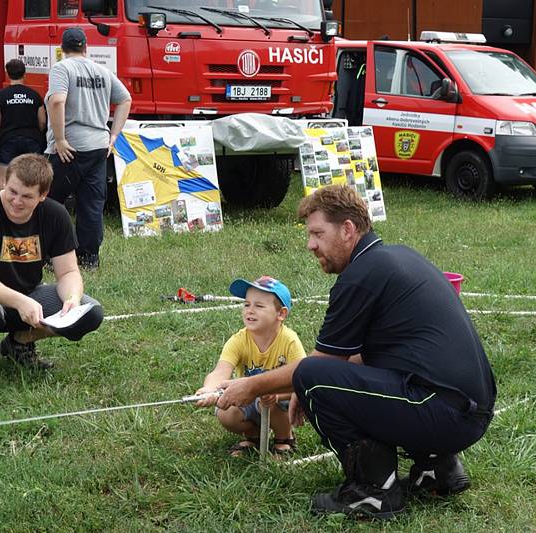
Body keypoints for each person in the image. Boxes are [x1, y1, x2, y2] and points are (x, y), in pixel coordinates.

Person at [216, 185, 497, 519]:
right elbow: (363, 358)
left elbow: (319, 367)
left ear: (348, 229)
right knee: (320, 378)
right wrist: (304, 387)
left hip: (443, 411)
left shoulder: (359, 277)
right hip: (468, 410)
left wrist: (253, 386)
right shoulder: (396, 257)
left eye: (318, 233)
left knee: (310, 375)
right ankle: (437, 470)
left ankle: (373, 491)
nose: (311, 245)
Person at [0, 154, 105, 384]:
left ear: (43, 196)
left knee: (91, 312)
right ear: (5, 183)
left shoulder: (56, 216)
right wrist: (19, 301)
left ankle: (19, 342)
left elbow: (68, 272)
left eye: (27, 196)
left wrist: (72, 299)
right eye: (12, 192)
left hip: (28, 293)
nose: (16, 201)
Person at [45, 27, 132, 270]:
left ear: (62, 49)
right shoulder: (102, 70)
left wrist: (60, 139)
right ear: (86, 48)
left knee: (50, 201)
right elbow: (125, 99)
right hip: (98, 146)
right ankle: (89, 257)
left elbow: (57, 100)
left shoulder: (62, 68)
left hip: (69, 147)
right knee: (92, 204)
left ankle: (52, 256)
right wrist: (113, 135)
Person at [195, 276, 306, 456]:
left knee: (269, 402)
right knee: (225, 413)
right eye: (247, 304)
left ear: (281, 314)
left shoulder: (289, 341)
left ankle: (284, 438)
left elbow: (302, 378)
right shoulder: (238, 340)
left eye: (259, 306)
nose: (250, 311)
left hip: (279, 401)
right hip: (247, 397)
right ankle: (253, 436)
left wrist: (277, 394)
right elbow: (220, 371)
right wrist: (209, 388)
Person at [0, 58, 47, 191]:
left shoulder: (0, 96)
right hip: (32, 141)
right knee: (35, 180)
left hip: (8, 141)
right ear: (24, 74)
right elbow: (43, 121)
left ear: (7, 74)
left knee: (3, 179)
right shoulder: (35, 95)